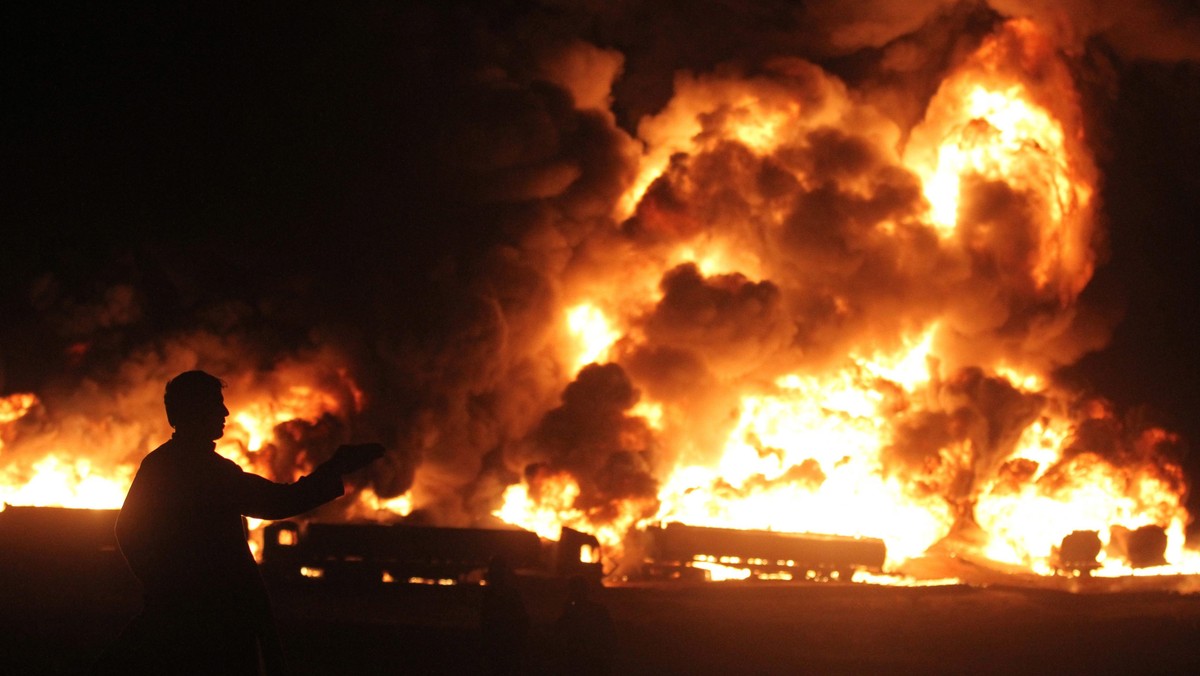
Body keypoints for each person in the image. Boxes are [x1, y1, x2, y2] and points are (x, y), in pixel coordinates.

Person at [93, 370, 384, 675]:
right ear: (195, 411)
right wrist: (334, 468)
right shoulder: (208, 472)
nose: (225, 412)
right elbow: (278, 502)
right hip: (213, 622)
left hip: (180, 613)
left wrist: (163, 587)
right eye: (216, 403)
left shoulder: (161, 464)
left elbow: (127, 531)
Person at [551, 575, 616, 675]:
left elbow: (559, 630)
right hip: (592, 659)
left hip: (585, 658)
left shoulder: (575, 610)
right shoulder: (598, 610)